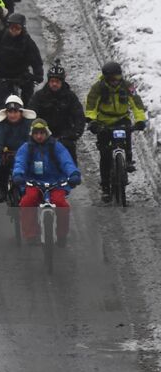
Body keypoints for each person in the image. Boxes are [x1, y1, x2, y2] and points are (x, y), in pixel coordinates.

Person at [84, 61, 147, 201]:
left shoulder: (127, 86)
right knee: (105, 155)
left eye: (118, 78)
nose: (116, 82)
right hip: (104, 122)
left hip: (121, 119)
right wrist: (92, 121)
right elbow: (91, 106)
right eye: (112, 79)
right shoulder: (98, 88)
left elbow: (136, 103)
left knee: (127, 134)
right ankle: (106, 187)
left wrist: (140, 120)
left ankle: (128, 159)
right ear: (106, 78)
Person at [12, 119, 80, 244]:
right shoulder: (26, 147)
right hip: (33, 181)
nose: (39, 136)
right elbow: (20, 162)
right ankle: (30, 234)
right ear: (31, 134)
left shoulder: (56, 146)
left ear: (47, 133)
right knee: (27, 202)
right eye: (36, 133)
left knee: (61, 204)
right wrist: (18, 174)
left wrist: (74, 174)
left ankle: (61, 235)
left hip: (56, 182)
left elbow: (67, 161)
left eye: (42, 133)